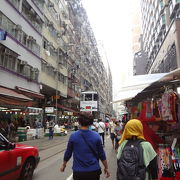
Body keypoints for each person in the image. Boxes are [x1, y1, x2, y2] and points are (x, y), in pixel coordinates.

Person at [60, 114, 110, 180]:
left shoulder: (73, 136)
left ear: (79, 122)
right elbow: (102, 154)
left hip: (78, 172)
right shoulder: (96, 136)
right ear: (91, 123)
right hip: (94, 171)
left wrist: (64, 164)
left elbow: (68, 153)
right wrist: (106, 167)